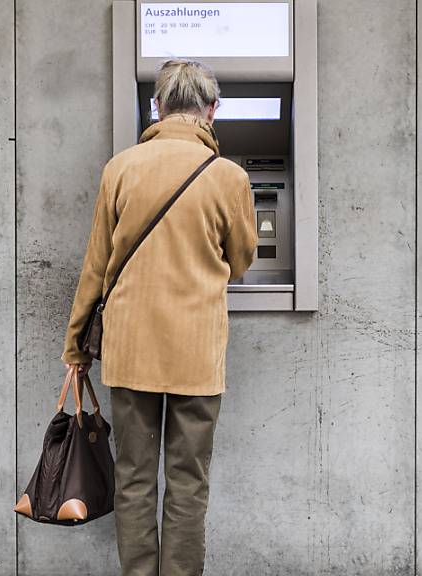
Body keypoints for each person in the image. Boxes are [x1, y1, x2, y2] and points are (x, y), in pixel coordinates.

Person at [61, 59, 257, 576]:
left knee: (134, 477)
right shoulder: (230, 178)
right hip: (196, 353)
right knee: (188, 480)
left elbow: (96, 266)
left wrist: (77, 348)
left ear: (157, 107)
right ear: (212, 111)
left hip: (132, 352)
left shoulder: (121, 168)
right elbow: (241, 260)